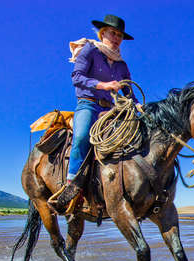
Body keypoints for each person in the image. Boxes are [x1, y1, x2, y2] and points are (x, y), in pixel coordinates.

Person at [51, 14, 141, 211]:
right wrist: (103, 85)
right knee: (82, 137)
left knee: (131, 141)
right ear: (103, 33)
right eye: (113, 33)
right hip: (88, 104)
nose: (117, 38)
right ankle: (72, 184)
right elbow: (77, 77)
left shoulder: (121, 65)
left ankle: (116, 188)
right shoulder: (89, 51)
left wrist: (137, 105)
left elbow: (128, 91)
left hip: (110, 110)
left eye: (120, 35)